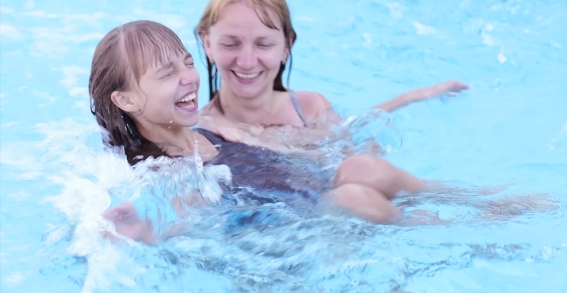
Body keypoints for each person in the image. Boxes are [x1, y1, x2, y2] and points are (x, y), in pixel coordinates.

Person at [90, 20, 432, 244]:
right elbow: (184, 219)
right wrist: (139, 228)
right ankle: (451, 233)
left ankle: (470, 204)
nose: (189, 77)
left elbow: (319, 144)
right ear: (126, 99)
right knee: (354, 197)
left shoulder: (211, 129)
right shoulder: (164, 170)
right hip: (290, 236)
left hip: (309, 194)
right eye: (167, 74)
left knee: (362, 168)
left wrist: (404, 100)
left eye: (188, 62)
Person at [194, 0, 469, 145]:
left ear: (286, 47)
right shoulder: (201, 128)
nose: (246, 61)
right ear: (207, 44)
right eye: (231, 44)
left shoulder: (310, 107)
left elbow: (351, 139)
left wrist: (412, 97)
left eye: (264, 44)